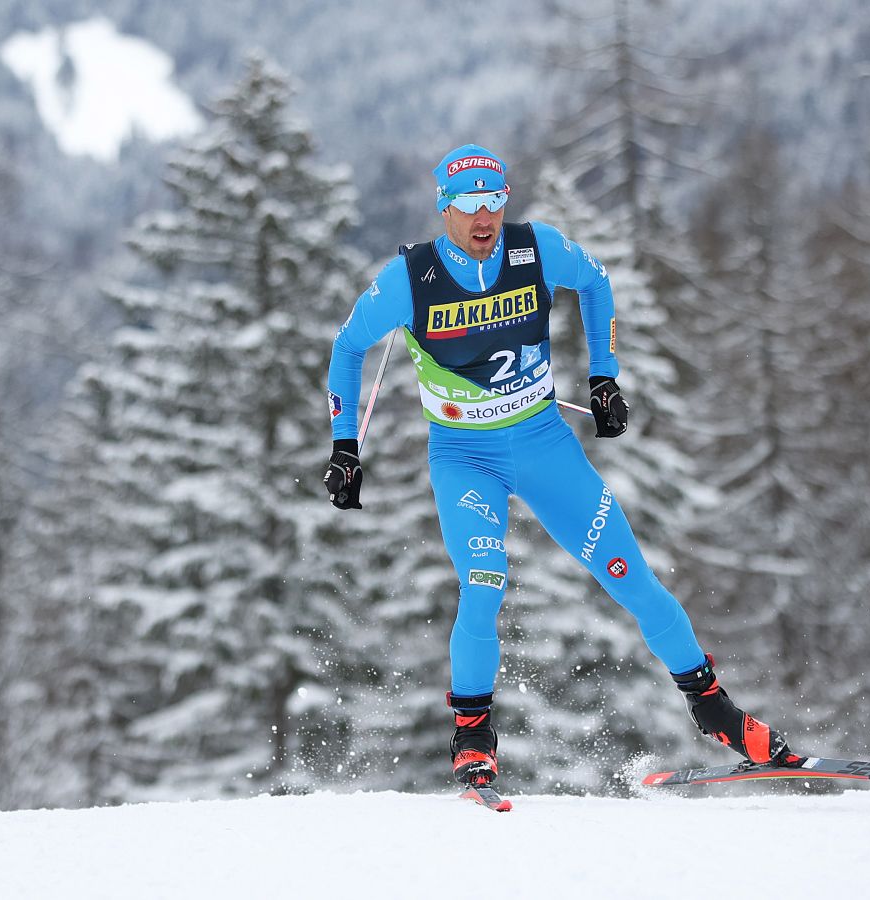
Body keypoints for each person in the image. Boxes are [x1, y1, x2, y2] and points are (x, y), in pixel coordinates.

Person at [322, 144, 795, 789]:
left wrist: (604, 379)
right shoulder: (411, 279)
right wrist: (345, 445)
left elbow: (597, 283)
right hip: (465, 458)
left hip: (545, 445)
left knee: (630, 577)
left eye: (495, 199)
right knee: (484, 584)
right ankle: (472, 741)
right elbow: (348, 347)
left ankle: (721, 716)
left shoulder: (535, 249)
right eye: (468, 203)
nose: (484, 214)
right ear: (444, 209)